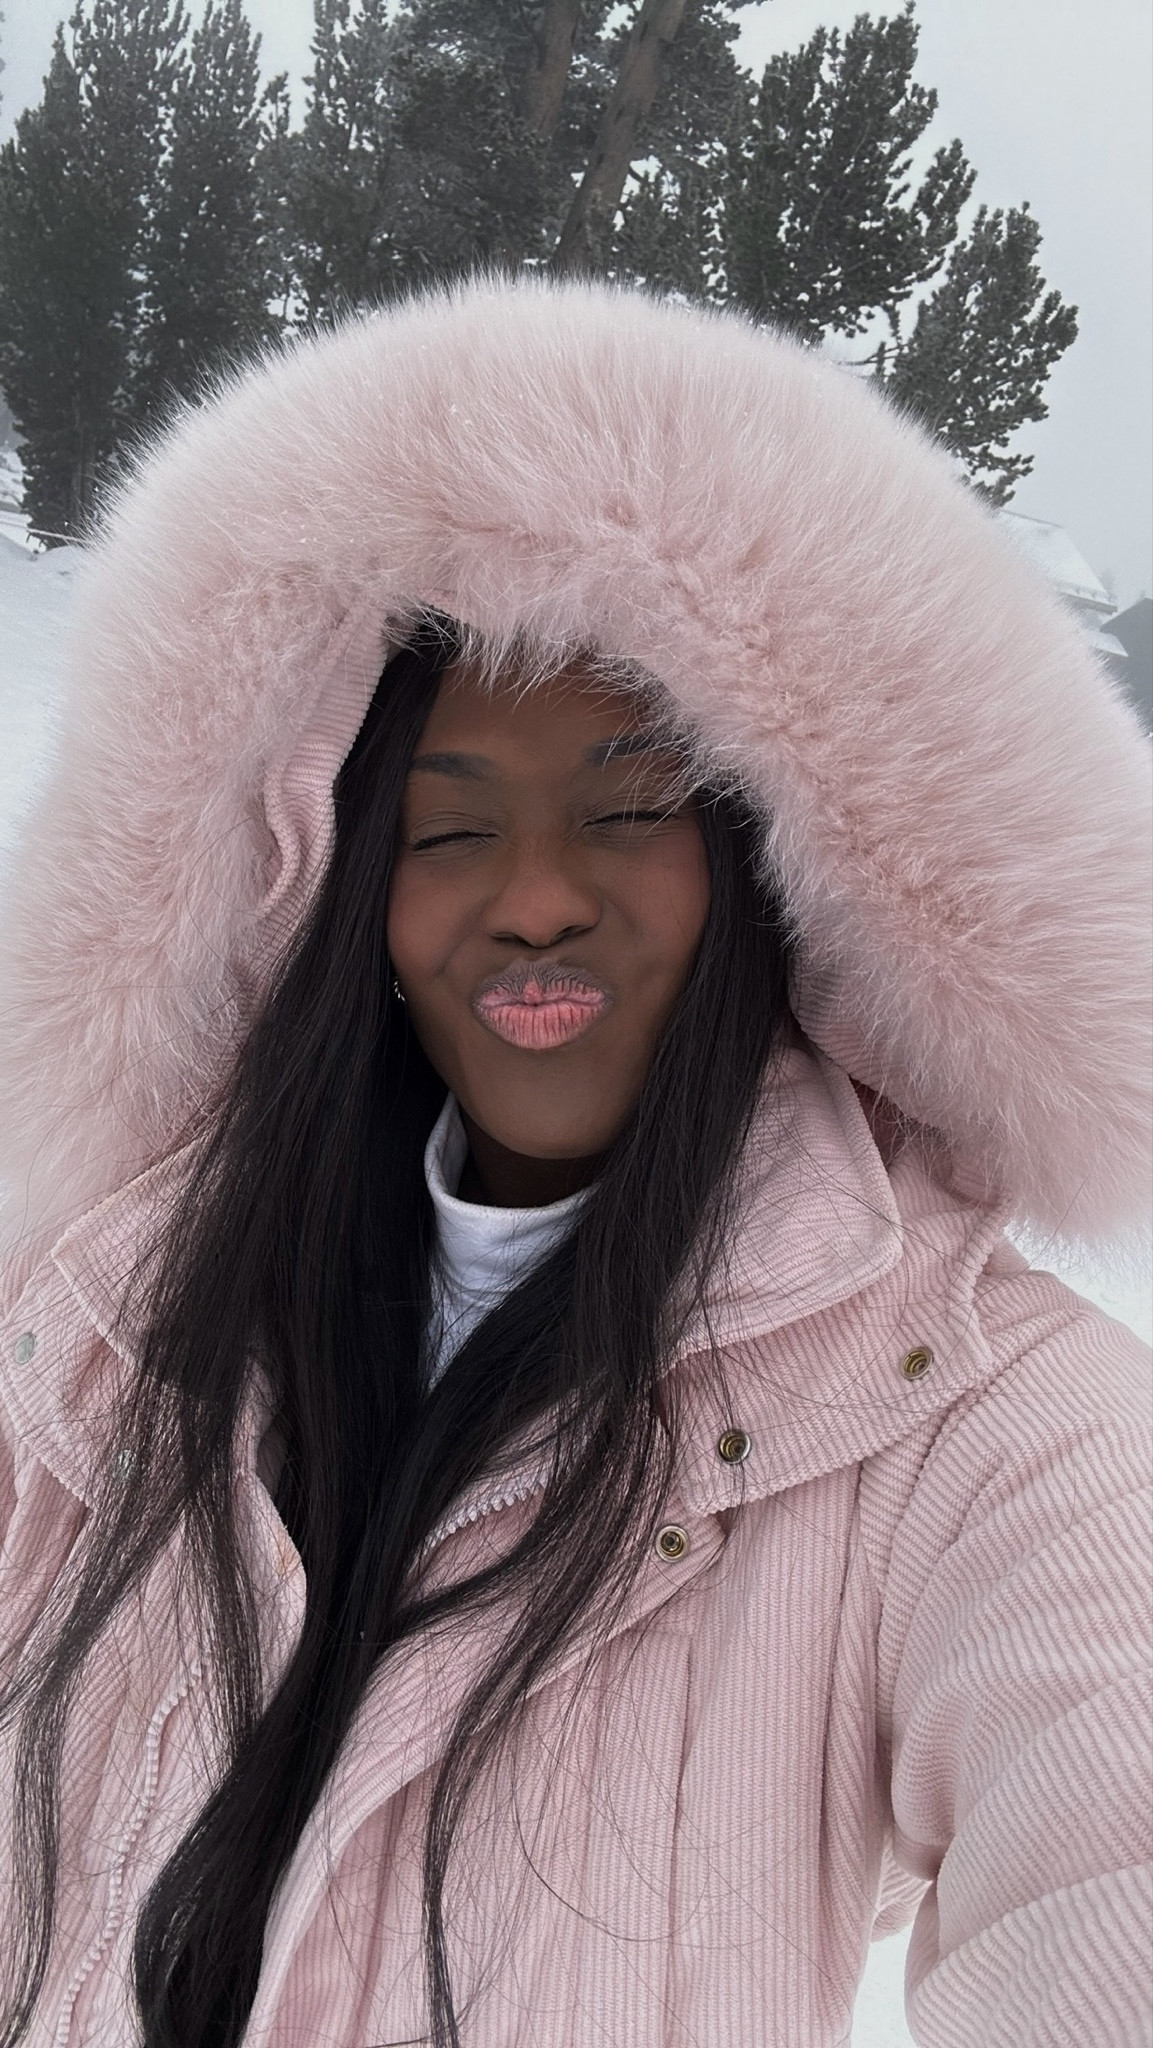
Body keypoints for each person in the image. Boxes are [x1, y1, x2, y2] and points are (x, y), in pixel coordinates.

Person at [0, 277, 1149, 2048]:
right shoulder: (97, 1333)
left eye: (628, 808)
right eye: (450, 828)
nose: (533, 895)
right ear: (346, 898)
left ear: (778, 871)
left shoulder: (972, 1419)